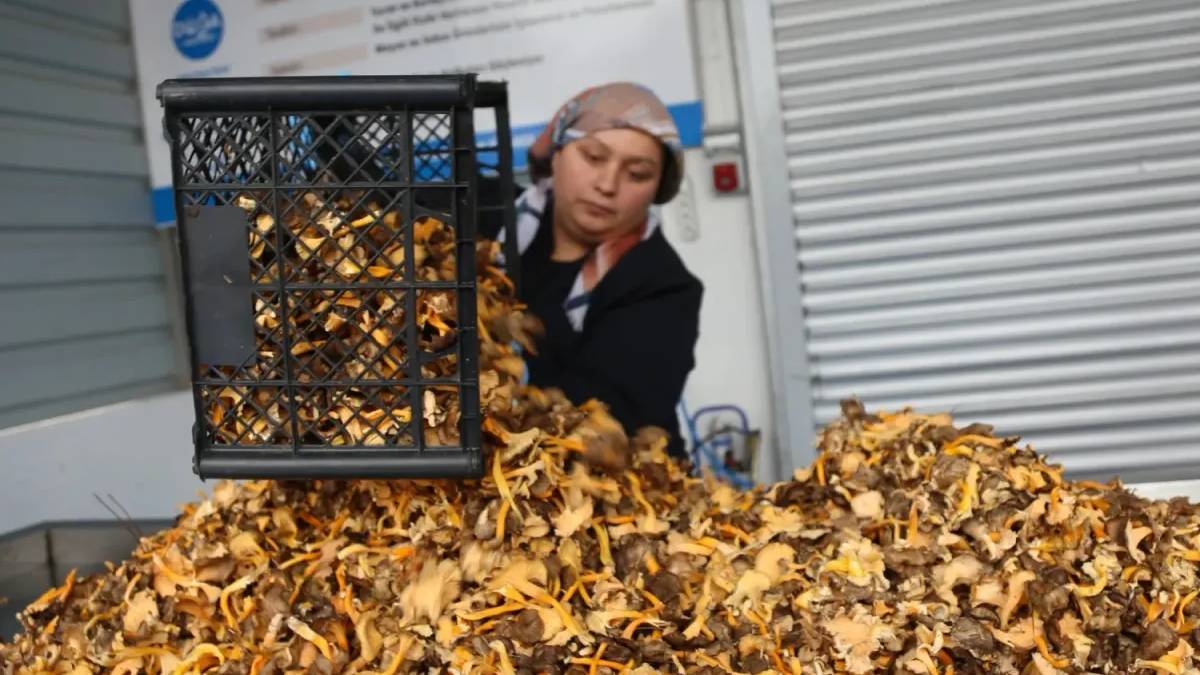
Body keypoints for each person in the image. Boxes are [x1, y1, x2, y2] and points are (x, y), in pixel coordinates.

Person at [481, 82, 703, 458]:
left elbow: (600, 413)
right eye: (594, 157)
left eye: (637, 174)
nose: (607, 185)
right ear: (556, 155)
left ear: (658, 188)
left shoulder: (662, 286)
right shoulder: (487, 221)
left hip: (608, 488)